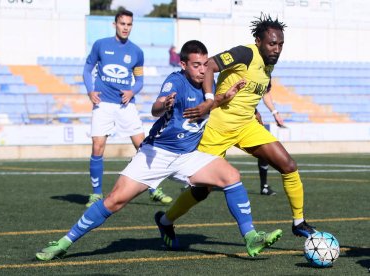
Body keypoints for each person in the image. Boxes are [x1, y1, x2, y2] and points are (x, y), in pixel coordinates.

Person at [35, 40, 282, 261]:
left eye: (205, 65)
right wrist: (164, 104)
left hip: (187, 155)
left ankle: (250, 236)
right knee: (114, 201)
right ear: (184, 64)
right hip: (156, 154)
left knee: (231, 177)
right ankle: (65, 242)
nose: (202, 70)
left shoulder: (208, 83)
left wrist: (224, 97)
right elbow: (155, 108)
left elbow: (208, 105)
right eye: (196, 65)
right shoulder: (175, 80)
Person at [155, 14, 316, 249]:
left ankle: (299, 222)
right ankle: (165, 220)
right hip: (216, 128)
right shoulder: (245, 52)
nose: (277, 48)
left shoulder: (269, 63)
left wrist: (255, 110)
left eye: (281, 44)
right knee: (201, 191)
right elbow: (209, 64)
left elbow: (250, 89)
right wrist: (210, 99)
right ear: (258, 40)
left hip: (246, 126)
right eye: (272, 43)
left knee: (288, 165)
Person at [82, 10, 172, 207]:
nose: (125, 27)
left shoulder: (137, 52)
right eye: (122, 23)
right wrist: (90, 91)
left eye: (129, 24)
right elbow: (87, 69)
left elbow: (139, 80)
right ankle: (96, 194)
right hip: (103, 104)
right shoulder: (100, 45)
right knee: (97, 146)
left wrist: (132, 92)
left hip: (126, 105)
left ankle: (153, 189)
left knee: (143, 146)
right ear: (115, 24)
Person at [256, 92, 285, 196]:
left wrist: (275, 113)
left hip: (249, 117)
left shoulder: (266, 76)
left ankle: (264, 187)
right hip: (229, 116)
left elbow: (265, 93)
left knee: (264, 147)